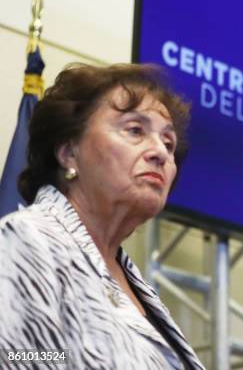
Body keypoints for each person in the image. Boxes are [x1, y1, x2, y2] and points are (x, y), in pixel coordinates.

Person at [0, 63, 205, 369]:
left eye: (168, 143)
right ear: (69, 153)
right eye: (135, 130)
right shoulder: (26, 241)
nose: (161, 153)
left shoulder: (143, 291)